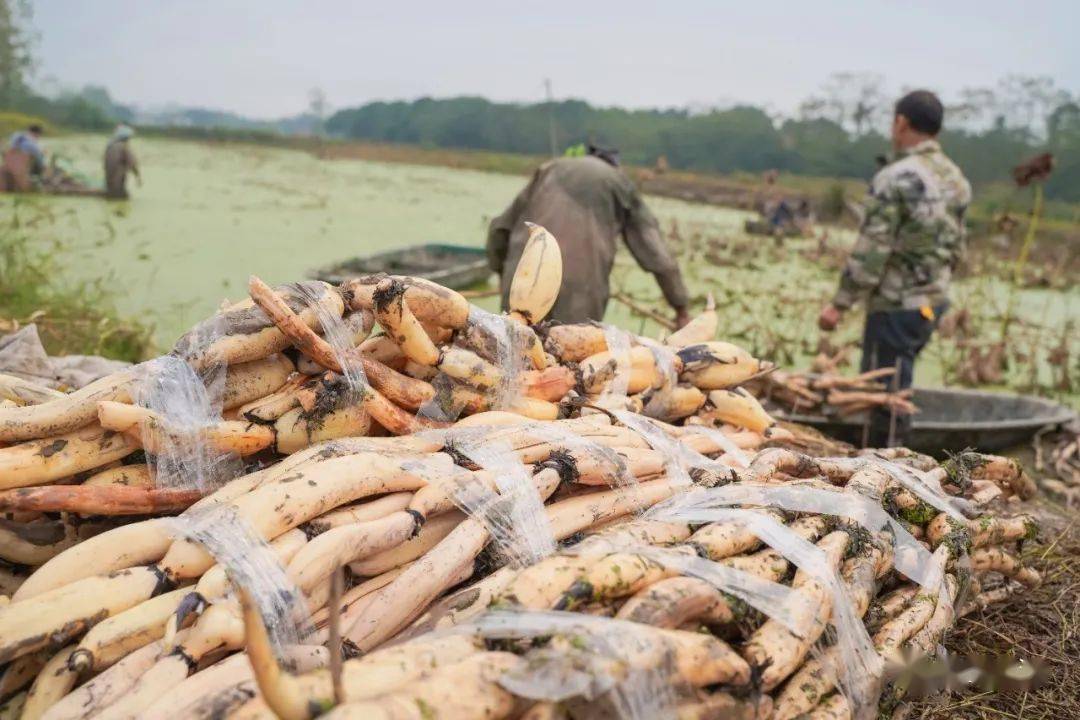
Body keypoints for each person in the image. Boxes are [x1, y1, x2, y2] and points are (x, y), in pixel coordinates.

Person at [818, 90, 971, 447]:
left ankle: (886, 466)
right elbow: (958, 247)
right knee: (900, 379)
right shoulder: (956, 179)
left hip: (896, 304)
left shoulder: (897, 177)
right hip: (933, 302)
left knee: (882, 390)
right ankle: (892, 454)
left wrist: (838, 305)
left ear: (901, 122)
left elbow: (873, 251)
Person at [487, 145, 690, 326]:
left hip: (523, 285)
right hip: (580, 294)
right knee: (568, 362)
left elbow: (499, 229)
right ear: (615, 165)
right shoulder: (620, 182)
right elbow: (658, 255)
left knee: (513, 356)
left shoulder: (550, 168)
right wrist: (681, 307)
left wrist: (502, 273)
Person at [104, 124, 140, 199]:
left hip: (108, 187)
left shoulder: (109, 147)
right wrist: (138, 177)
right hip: (119, 188)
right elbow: (132, 163)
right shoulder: (123, 148)